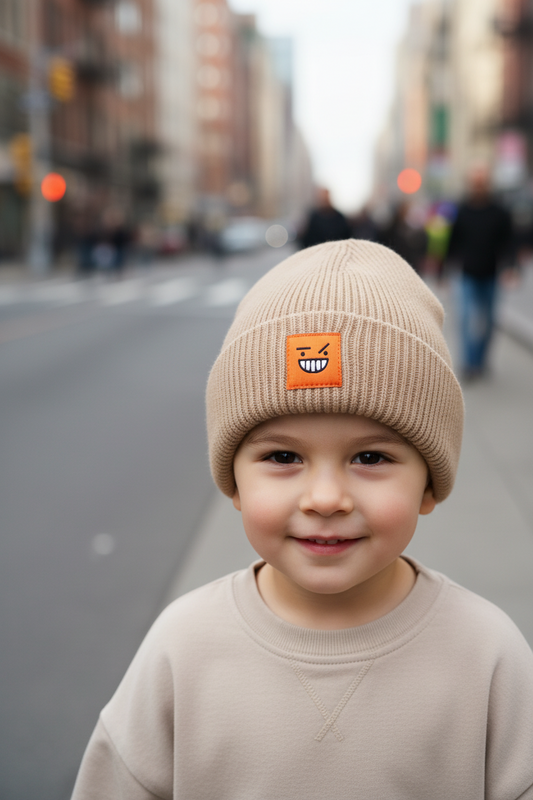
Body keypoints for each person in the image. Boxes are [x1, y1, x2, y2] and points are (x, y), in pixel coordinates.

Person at [71, 240, 533, 799]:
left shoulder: (488, 656)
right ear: (234, 482)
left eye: (371, 458)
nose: (325, 498)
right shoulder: (181, 648)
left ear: (429, 486)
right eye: (283, 456)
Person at [447, 165, 514, 379]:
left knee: (489, 321)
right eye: (475, 182)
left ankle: (481, 360)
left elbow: (508, 242)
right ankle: (470, 364)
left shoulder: (500, 212)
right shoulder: (461, 210)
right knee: (466, 318)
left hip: (491, 273)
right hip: (467, 274)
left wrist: (510, 266)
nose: (478, 186)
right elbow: (452, 241)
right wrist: (443, 269)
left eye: (482, 182)